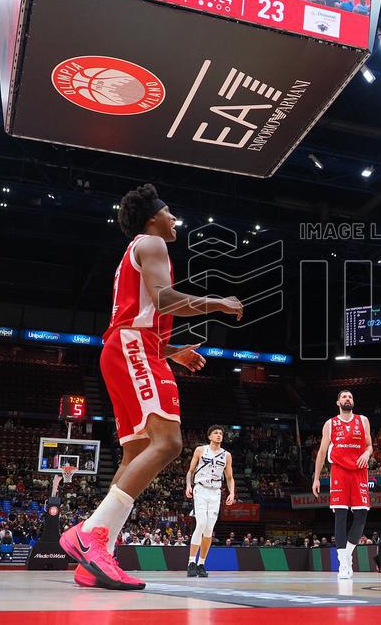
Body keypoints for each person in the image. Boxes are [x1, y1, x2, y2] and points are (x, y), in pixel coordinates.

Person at [60, 184, 243, 591]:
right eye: (168, 211)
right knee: (169, 442)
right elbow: (164, 301)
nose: (174, 218)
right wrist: (218, 302)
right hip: (134, 347)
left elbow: (142, 311)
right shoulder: (152, 243)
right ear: (151, 218)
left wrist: (172, 350)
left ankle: (94, 551)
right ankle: (90, 536)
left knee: (137, 452)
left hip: (133, 347)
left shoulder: (138, 251)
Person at [312, 390, 373, 580]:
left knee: (361, 514)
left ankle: (347, 555)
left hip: (359, 471)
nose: (348, 399)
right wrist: (316, 478)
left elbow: (369, 445)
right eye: (344, 397)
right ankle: (343, 563)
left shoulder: (363, 420)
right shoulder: (330, 424)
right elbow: (322, 452)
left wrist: (366, 453)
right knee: (340, 516)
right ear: (337, 401)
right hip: (339, 472)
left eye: (351, 397)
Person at [185, 425, 235, 577]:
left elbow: (229, 477)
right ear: (209, 436)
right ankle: (191, 562)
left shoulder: (226, 455)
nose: (219, 435)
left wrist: (232, 492)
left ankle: (201, 564)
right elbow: (190, 471)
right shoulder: (200, 450)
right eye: (216, 433)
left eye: (221, 433)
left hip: (215, 492)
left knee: (208, 530)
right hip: (200, 489)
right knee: (200, 523)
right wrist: (188, 485)